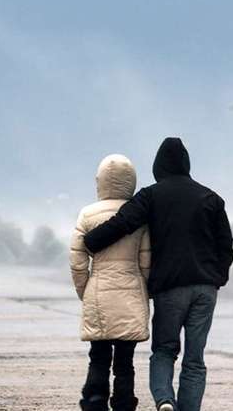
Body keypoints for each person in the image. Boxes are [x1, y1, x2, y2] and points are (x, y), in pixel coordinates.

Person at [83, 138, 233, 411]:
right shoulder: (211, 198)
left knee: (164, 350)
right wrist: (218, 278)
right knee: (195, 359)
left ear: (158, 167)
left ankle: (165, 400)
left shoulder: (151, 195)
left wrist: (91, 240)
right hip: (205, 289)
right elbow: (225, 246)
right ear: (186, 165)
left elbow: (123, 223)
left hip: (170, 287)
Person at [70, 154, 153, 411]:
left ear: (101, 181)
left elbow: (77, 261)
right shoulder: (138, 215)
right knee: (125, 361)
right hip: (130, 292)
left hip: (99, 291)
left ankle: (95, 401)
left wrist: (86, 291)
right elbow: (146, 261)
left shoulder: (87, 214)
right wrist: (143, 291)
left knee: (98, 356)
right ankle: (124, 403)